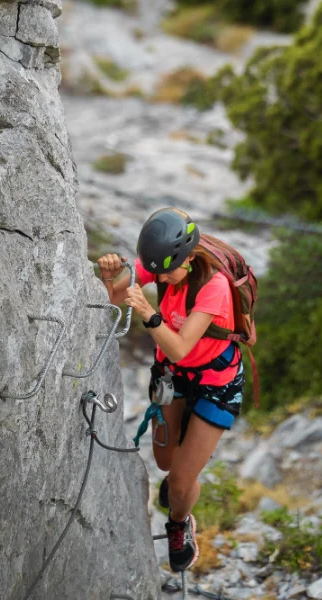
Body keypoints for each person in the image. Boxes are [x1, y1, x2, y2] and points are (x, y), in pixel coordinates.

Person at [98, 208, 248, 573]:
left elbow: (181, 346)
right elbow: (113, 300)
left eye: (166, 272)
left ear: (190, 257)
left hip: (216, 383)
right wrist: (107, 280)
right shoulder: (160, 260)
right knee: (165, 461)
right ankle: (180, 475)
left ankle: (180, 523)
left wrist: (150, 313)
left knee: (179, 484)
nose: (161, 277)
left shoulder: (214, 288)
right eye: (156, 271)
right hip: (173, 375)